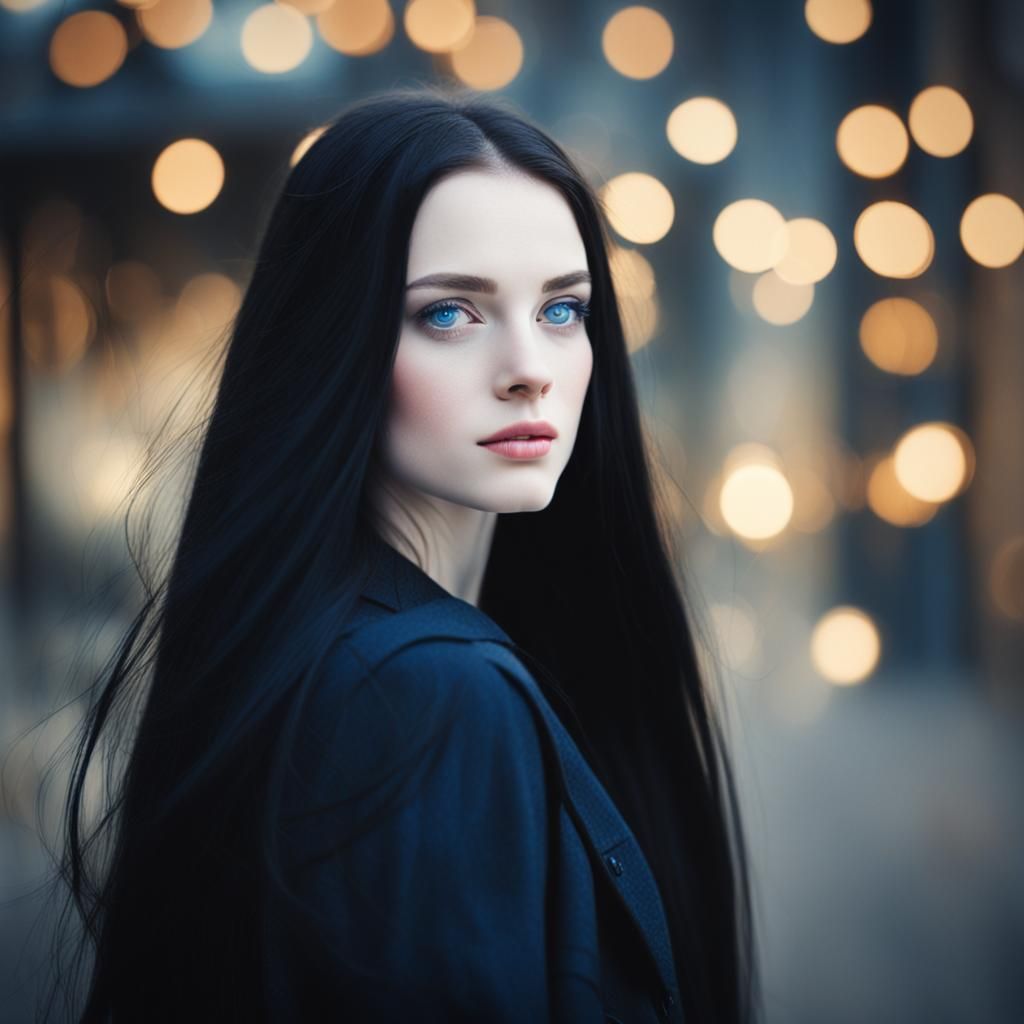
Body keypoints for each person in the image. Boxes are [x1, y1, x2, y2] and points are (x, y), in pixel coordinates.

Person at [42, 84, 757, 1022]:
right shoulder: (431, 697)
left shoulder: (335, 652)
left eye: (562, 309)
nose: (529, 368)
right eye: (451, 314)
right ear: (333, 344)